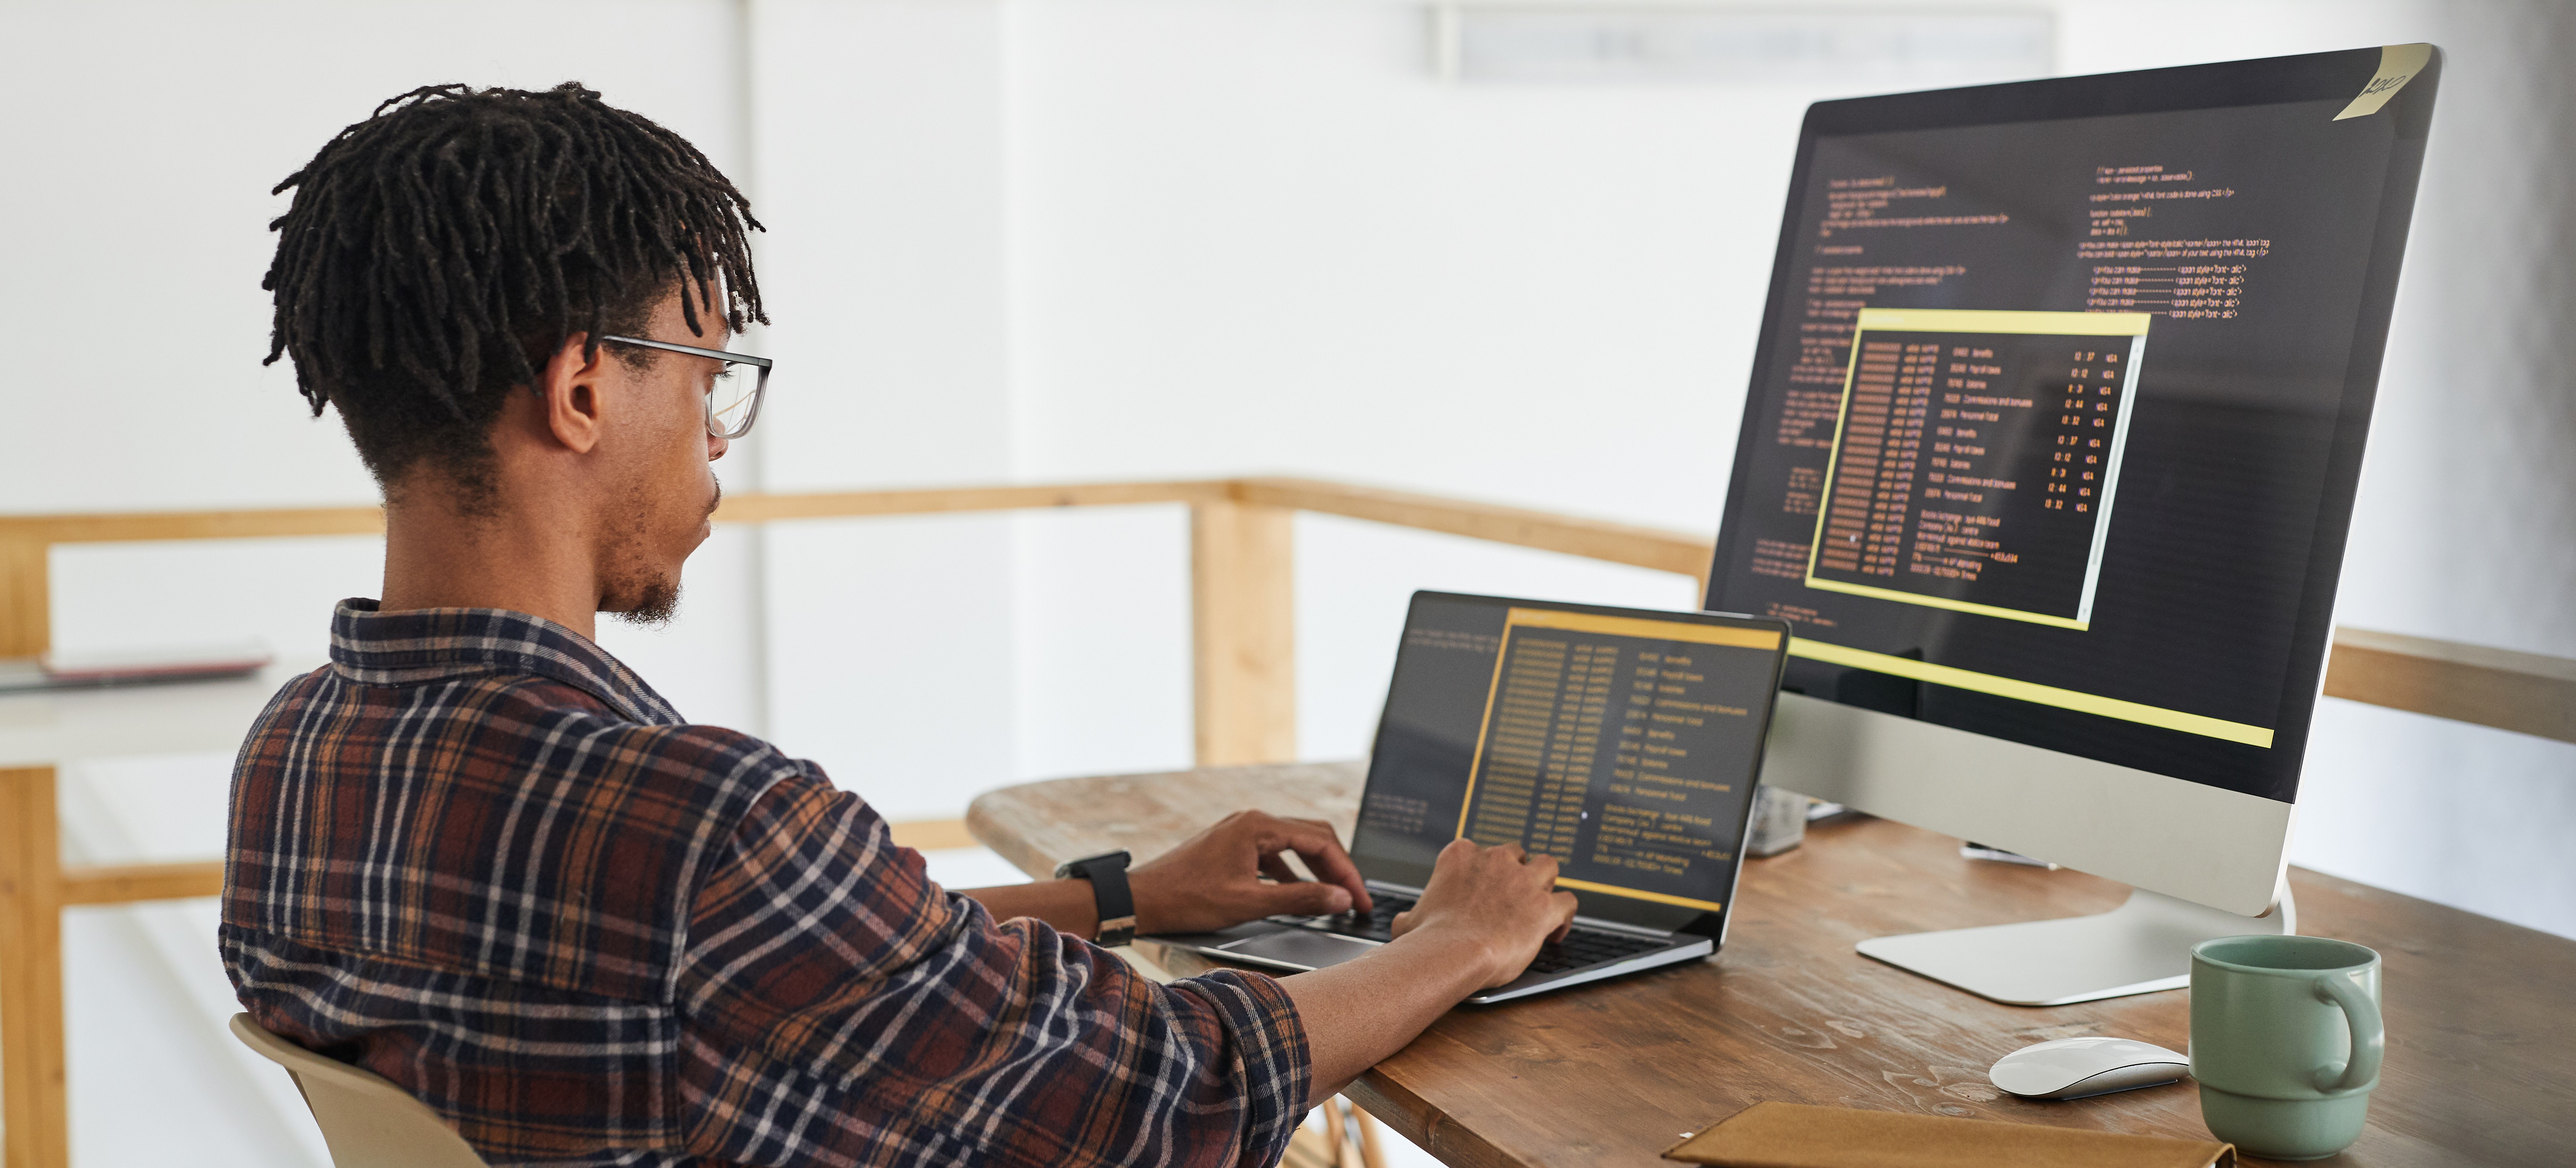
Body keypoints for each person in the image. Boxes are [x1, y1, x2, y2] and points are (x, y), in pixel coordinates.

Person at [225, 82, 1577, 1168]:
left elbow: (785, 969)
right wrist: (1461, 937)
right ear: (583, 391)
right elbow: (1172, 1097)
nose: (713, 442)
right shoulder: (704, 823)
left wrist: (1126, 898)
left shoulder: (296, 756)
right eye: (708, 374)